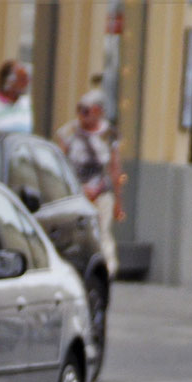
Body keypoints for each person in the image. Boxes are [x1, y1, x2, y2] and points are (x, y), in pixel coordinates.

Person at [54, 89, 123, 275]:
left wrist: (118, 200)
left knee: (102, 230)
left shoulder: (109, 133)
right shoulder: (69, 131)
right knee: (76, 232)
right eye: (80, 110)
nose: (83, 115)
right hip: (76, 191)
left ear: (99, 111)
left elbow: (114, 167)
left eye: (87, 110)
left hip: (101, 191)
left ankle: (107, 271)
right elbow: (60, 162)